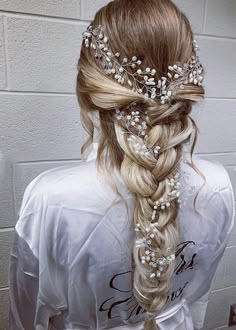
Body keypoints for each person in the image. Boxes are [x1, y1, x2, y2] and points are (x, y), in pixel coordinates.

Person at [9, 0, 235, 329]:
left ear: (89, 92)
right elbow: (197, 295)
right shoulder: (217, 185)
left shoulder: (52, 199)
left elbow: (28, 319)